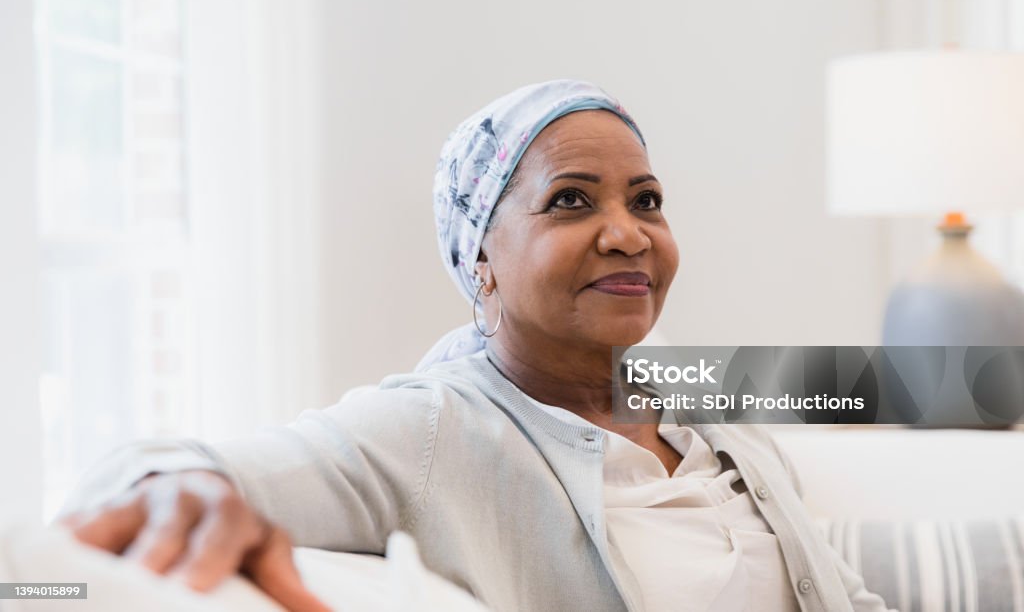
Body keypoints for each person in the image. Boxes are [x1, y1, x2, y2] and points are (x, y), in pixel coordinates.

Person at [58, 80, 895, 612]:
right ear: (481, 261)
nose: (628, 234)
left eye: (646, 200)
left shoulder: (707, 409)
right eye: (571, 201)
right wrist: (174, 486)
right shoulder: (433, 426)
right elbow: (160, 468)